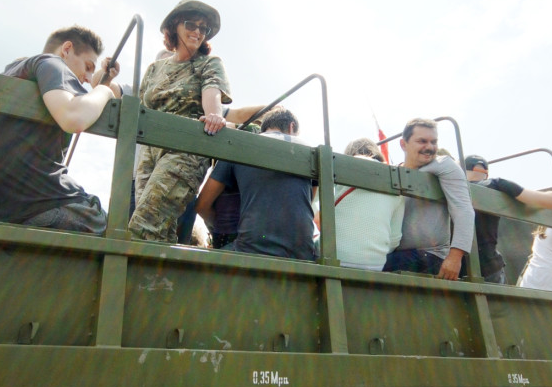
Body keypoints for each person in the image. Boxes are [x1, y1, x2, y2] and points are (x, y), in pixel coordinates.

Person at [0, 26, 119, 233]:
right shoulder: (50, 63)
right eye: (87, 66)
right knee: (110, 225)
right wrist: (104, 90)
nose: (86, 77)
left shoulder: (10, 75)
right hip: (38, 208)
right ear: (66, 49)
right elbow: (73, 117)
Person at [128, 0, 231, 242]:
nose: (197, 31)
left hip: (185, 151)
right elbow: (143, 108)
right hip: (149, 154)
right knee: (158, 229)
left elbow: (212, 93)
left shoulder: (208, 64)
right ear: (174, 26)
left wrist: (214, 114)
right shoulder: (155, 69)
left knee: (144, 225)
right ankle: (160, 281)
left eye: (203, 28)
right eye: (191, 24)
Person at [195, 107, 316, 260]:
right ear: (292, 127)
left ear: (263, 129)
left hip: (250, 250)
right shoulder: (312, 152)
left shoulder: (240, 146)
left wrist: (222, 229)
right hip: (303, 255)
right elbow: (308, 202)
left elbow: (201, 206)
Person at [383, 119, 474, 279]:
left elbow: (463, 210)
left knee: (374, 268)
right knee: (363, 260)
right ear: (403, 144)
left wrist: (455, 257)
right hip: (397, 253)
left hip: (430, 255)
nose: (430, 147)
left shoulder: (444, 165)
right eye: (422, 141)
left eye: (434, 142)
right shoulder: (393, 172)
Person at [461, 154, 552, 283]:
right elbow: (551, 201)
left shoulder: (449, 187)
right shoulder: (496, 184)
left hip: (453, 267)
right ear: (485, 172)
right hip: (488, 267)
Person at [332, 138, 405, 271]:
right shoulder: (397, 182)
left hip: (333, 258)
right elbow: (394, 239)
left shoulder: (341, 167)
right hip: (373, 265)